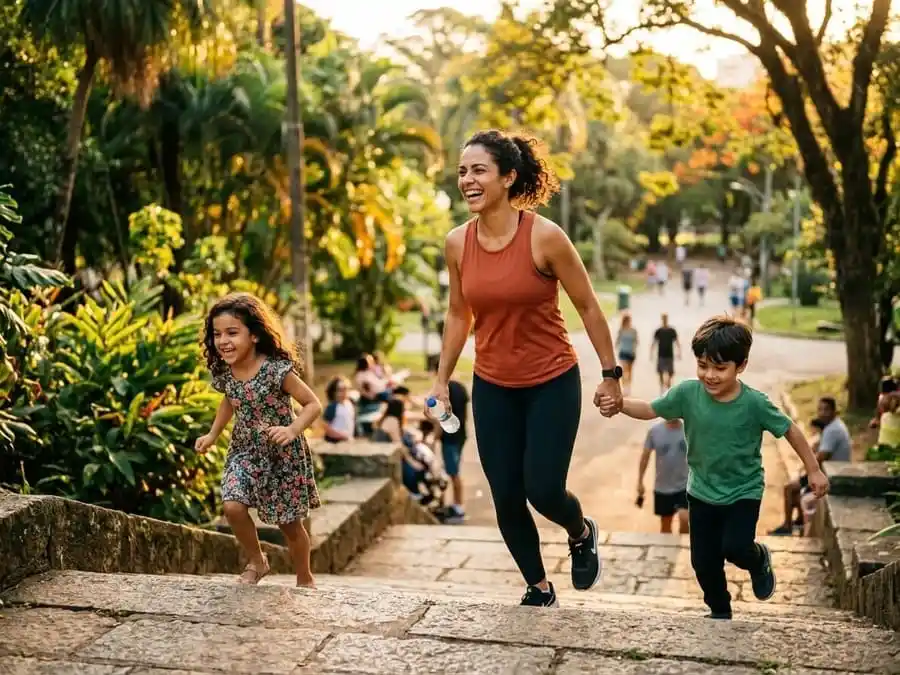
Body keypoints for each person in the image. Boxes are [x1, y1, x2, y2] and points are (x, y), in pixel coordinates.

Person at [426, 129, 622, 608]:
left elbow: (589, 307)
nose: (467, 180)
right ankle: (538, 586)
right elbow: (458, 313)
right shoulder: (457, 243)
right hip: (493, 384)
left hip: (551, 380)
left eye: (478, 170)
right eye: (461, 171)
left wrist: (611, 374)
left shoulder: (546, 237)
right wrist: (441, 380)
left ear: (508, 177)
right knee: (506, 494)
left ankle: (580, 530)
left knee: (543, 488)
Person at [599, 315, 829, 620]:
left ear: (741, 365)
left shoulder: (754, 404)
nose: (710, 375)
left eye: (720, 368)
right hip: (702, 492)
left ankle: (759, 559)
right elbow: (652, 409)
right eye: (703, 365)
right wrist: (620, 403)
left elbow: (790, 430)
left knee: (735, 547)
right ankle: (720, 611)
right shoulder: (687, 394)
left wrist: (813, 469)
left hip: (743, 491)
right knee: (703, 563)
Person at [196, 292, 322, 587]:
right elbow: (230, 400)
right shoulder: (227, 371)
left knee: (289, 526)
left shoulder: (275, 370)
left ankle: (305, 577)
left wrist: (292, 430)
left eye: (232, 333)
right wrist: (213, 434)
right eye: (217, 334)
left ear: (253, 335)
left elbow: (313, 404)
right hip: (244, 450)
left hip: (282, 456)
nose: (223, 341)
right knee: (232, 506)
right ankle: (257, 560)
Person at [769, 396, 851, 536]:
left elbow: (819, 458)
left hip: (829, 475)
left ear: (833, 411)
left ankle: (787, 526)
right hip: (831, 471)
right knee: (796, 489)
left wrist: (809, 459)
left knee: (789, 488)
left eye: (826, 410)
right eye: (820, 409)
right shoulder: (835, 426)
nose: (822, 413)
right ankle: (800, 521)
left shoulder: (832, 430)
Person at [429, 361, 470, 524]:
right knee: (452, 471)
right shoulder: (461, 387)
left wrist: (434, 439)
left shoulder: (443, 392)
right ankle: (452, 504)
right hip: (460, 435)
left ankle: (458, 506)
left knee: (452, 473)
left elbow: (441, 418)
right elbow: (465, 414)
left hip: (449, 438)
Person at [637, 419, 689, 534]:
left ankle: (684, 548)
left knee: (685, 518)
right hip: (663, 487)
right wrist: (640, 481)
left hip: (685, 485)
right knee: (666, 524)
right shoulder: (654, 431)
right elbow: (645, 457)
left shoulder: (689, 429)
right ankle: (668, 551)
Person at [652, 313, 681, 395]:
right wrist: (651, 353)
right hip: (661, 354)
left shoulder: (672, 331)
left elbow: (677, 342)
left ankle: (668, 386)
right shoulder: (658, 331)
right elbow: (654, 342)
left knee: (670, 372)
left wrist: (679, 352)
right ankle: (662, 388)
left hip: (669, 355)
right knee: (660, 372)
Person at [322, 376, 355, 443]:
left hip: (348, 441)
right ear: (334, 392)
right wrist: (342, 436)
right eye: (340, 390)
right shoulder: (332, 407)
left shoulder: (350, 404)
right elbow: (326, 427)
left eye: (346, 389)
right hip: (334, 442)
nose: (344, 392)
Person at [616, 313, 639, 396]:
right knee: (624, 370)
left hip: (631, 353)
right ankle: (624, 386)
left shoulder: (633, 330)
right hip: (623, 352)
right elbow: (617, 341)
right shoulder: (621, 330)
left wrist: (634, 348)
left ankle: (628, 387)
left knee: (629, 371)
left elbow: (637, 341)